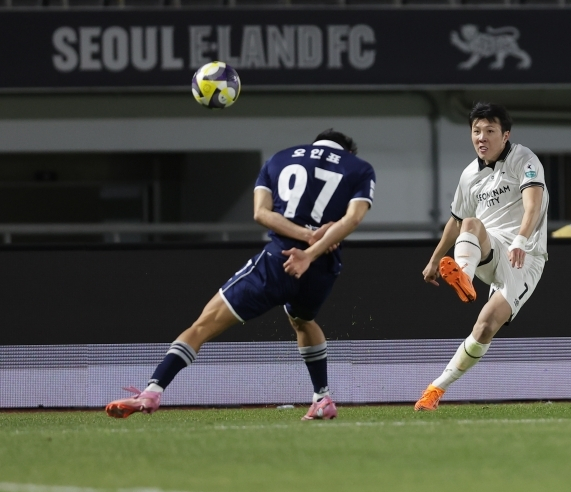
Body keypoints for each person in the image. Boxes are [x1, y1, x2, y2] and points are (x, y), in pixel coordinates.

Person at [105, 130, 375, 421]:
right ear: (349, 151)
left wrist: (305, 239)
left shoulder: (279, 159)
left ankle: (152, 391)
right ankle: (322, 397)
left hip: (279, 261)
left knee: (203, 325)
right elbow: (353, 219)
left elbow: (261, 213)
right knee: (302, 319)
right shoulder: (359, 167)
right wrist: (312, 250)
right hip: (323, 267)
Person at [415, 103, 548, 411]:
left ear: (505, 135)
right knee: (472, 223)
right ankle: (463, 275)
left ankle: (435, 389)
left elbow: (533, 204)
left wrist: (520, 239)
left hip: (525, 256)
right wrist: (434, 260)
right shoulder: (468, 175)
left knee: (485, 327)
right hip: (488, 248)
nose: (482, 137)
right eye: (476, 131)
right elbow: (456, 221)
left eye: (490, 130)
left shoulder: (524, 159)